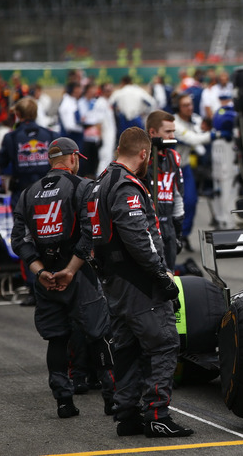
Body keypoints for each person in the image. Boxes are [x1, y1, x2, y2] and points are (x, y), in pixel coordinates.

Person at [89, 127, 193, 438]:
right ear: (144, 154)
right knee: (163, 343)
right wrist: (161, 275)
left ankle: (128, 415)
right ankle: (157, 415)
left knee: (128, 348)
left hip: (115, 281)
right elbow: (137, 238)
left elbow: (89, 234)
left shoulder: (100, 182)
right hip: (137, 282)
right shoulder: (126, 185)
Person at [10, 137, 113, 419]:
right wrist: (71, 269)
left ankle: (64, 403)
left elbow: (19, 240)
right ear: (72, 159)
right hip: (78, 275)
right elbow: (93, 231)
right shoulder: (83, 187)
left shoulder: (28, 193)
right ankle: (112, 400)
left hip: (46, 279)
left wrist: (40, 271)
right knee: (100, 334)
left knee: (56, 339)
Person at [0, 97, 59, 205]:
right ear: (35, 113)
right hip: (47, 192)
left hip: (21, 193)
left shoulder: (11, 137)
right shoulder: (51, 135)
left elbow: (1, 162)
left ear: (18, 114)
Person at [144, 110, 184, 269]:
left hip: (169, 225)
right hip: (148, 226)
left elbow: (179, 195)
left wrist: (178, 232)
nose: (172, 136)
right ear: (152, 132)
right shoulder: (142, 158)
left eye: (173, 131)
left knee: (171, 275)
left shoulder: (174, 157)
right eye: (168, 132)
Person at [174, 94, 215, 250]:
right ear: (178, 107)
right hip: (169, 170)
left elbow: (200, 137)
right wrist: (214, 135)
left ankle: (184, 235)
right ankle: (171, 236)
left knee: (191, 201)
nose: (189, 108)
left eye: (190, 105)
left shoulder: (195, 119)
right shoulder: (173, 123)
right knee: (168, 205)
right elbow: (194, 139)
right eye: (185, 105)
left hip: (185, 167)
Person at [211, 91, 238, 230]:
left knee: (228, 186)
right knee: (219, 187)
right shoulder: (220, 111)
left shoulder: (230, 112)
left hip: (228, 152)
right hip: (219, 152)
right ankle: (221, 218)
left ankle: (228, 220)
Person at [58, 81, 84, 147]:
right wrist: (84, 127)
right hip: (71, 139)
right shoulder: (67, 104)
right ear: (75, 89)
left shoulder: (73, 101)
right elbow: (69, 126)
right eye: (80, 89)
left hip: (75, 137)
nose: (81, 91)